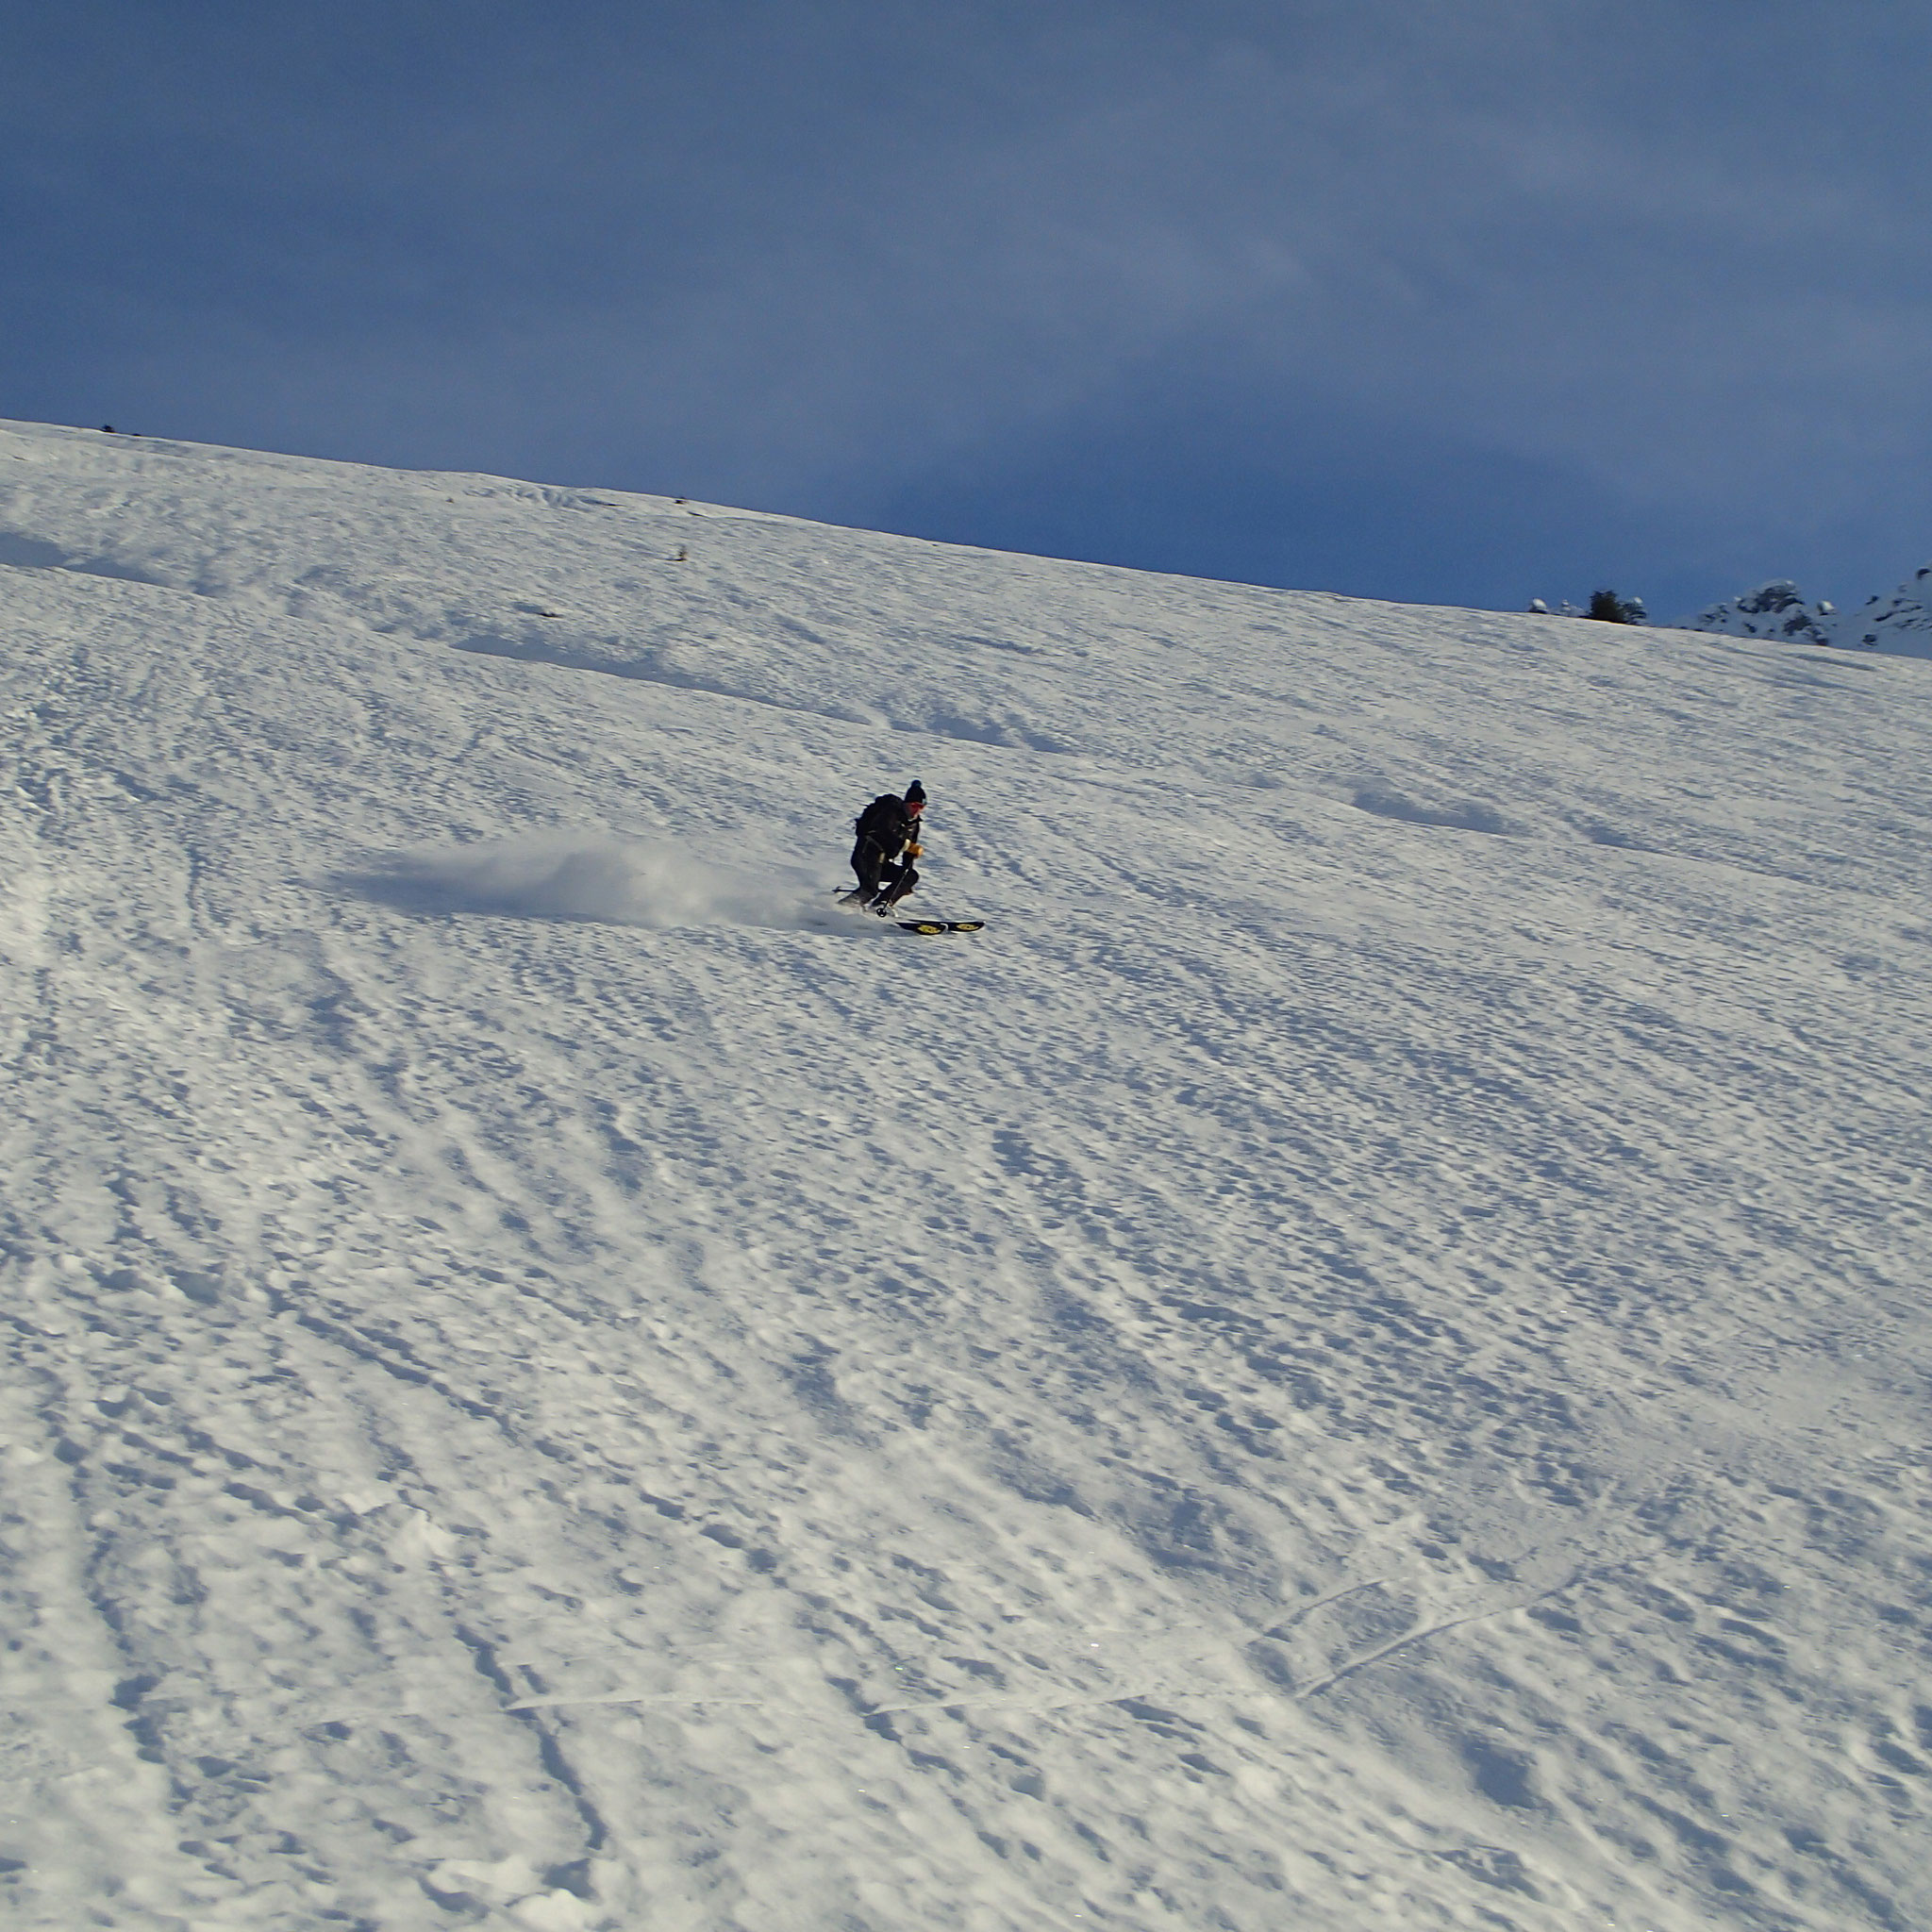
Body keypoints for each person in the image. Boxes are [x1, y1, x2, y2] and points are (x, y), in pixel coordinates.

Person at [846, 780, 925, 910]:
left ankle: (881, 905)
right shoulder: (891, 812)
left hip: (882, 863)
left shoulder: (914, 825)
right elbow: (883, 832)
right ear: (906, 803)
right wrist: (906, 845)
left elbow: (908, 855)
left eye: (920, 807)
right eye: (914, 805)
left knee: (910, 876)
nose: (916, 810)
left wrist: (903, 885)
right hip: (866, 857)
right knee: (869, 890)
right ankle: (839, 910)